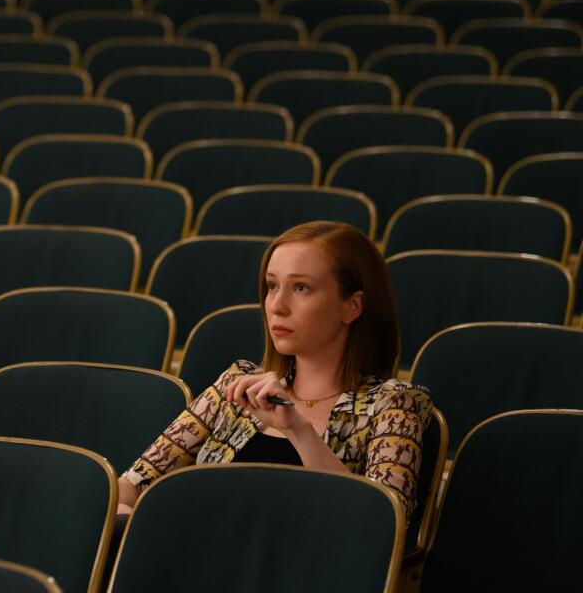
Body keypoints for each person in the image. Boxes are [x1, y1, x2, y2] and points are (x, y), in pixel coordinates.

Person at [119, 220, 432, 519]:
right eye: (271, 285)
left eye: (301, 288)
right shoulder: (238, 383)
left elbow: (381, 523)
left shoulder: (394, 406)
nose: (276, 305)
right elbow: (131, 485)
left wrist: (299, 430)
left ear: (352, 306)